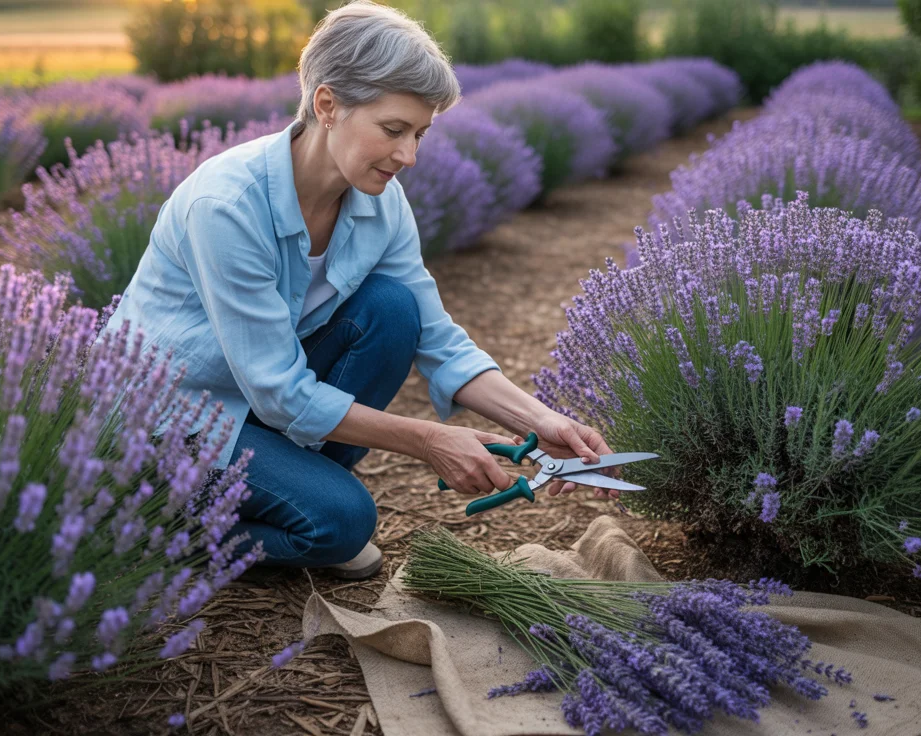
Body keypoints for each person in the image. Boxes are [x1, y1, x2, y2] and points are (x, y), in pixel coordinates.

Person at [107, 0, 619, 581]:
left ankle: (290, 485)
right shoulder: (227, 205)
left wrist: (540, 422)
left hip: (253, 399)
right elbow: (280, 390)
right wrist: (430, 440)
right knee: (341, 526)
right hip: (173, 416)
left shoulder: (379, 199)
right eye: (393, 130)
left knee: (393, 311)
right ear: (327, 104)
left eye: (420, 134)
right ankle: (153, 522)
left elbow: (435, 337)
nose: (409, 156)